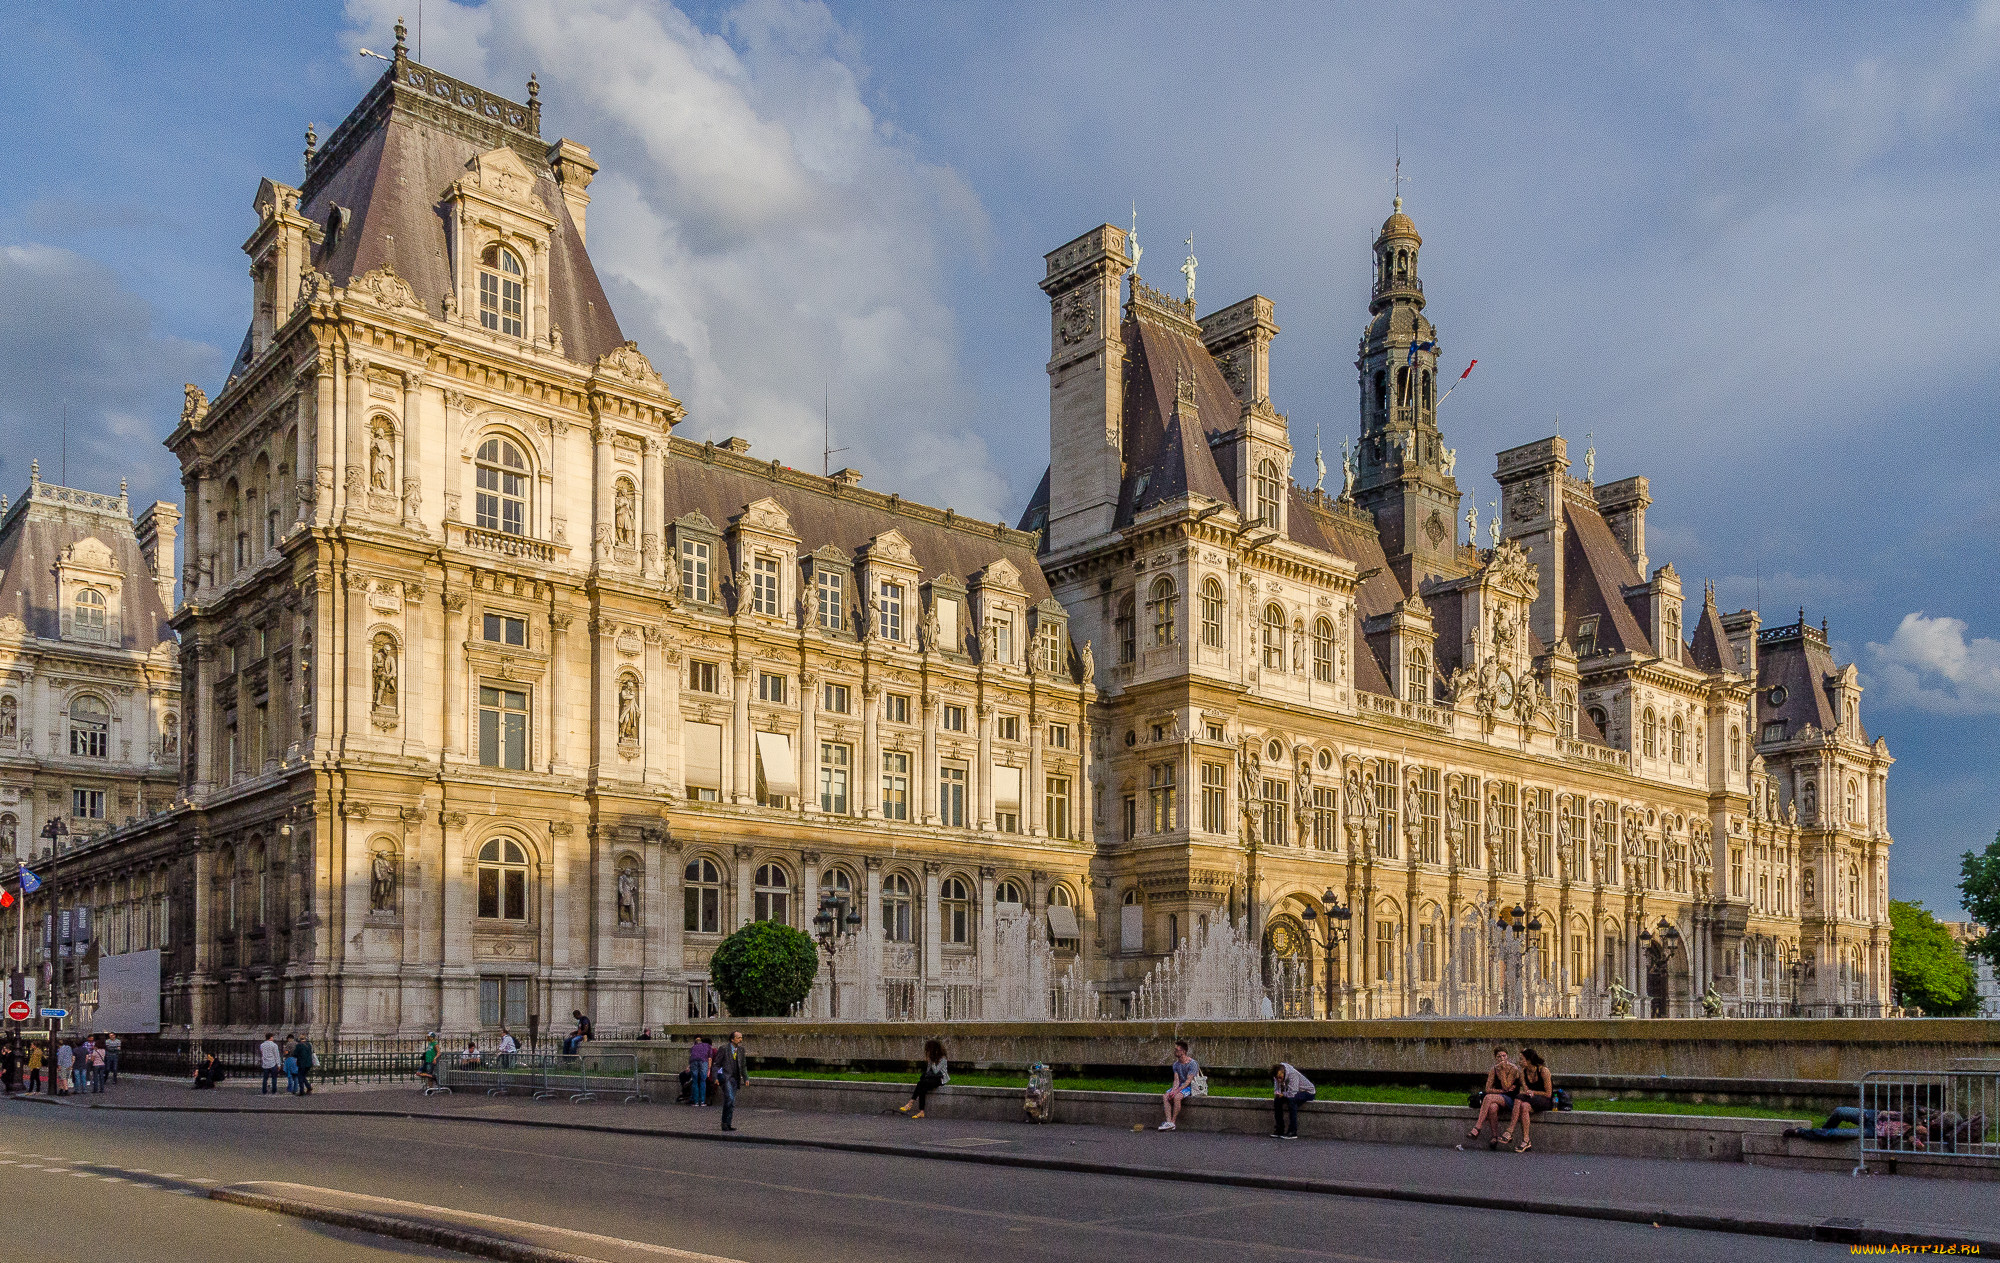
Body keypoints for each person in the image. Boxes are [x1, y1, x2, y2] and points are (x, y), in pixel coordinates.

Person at [1466, 1047, 1521, 1147]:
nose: (1501, 1058)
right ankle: (1494, 1137)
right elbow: (1488, 1089)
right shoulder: (1494, 1069)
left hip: (1511, 1099)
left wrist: (1503, 1071)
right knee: (1492, 1107)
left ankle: (1478, 1127)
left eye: (1504, 1056)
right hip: (1499, 1096)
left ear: (1508, 1056)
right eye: (1499, 1056)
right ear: (1496, 1058)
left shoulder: (1513, 1069)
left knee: (1488, 1098)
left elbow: (1506, 1086)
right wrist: (1501, 1091)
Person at [1509, 1048, 1554, 1153]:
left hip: (1545, 1100)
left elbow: (1548, 1094)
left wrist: (1534, 1092)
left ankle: (1510, 1130)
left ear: (1529, 1060)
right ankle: (1526, 1140)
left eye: (1521, 1059)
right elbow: (1525, 1090)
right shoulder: (1523, 1072)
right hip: (1531, 1100)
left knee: (1520, 1098)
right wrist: (1527, 1090)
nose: (1519, 1062)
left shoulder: (1543, 1071)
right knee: (1523, 1105)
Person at [898, 1039, 950, 1120]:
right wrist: (930, 1062)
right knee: (922, 1086)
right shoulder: (932, 1058)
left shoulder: (943, 1058)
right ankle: (921, 1111)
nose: (928, 1051)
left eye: (929, 1049)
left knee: (921, 1084)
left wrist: (932, 1062)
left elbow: (936, 1071)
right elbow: (928, 1071)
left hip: (940, 1079)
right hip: (932, 1079)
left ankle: (910, 1103)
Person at [1160, 1040, 1199, 1131]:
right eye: (1175, 1050)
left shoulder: (1192, 1064)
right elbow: (1176, 1080)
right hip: (1181, 1085)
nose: (1175, 1052)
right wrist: (1173, 1090)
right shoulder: (1176, 1065)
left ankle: (1173, 1122)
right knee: (1166, 1096)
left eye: (1177, 1050)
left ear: (1183, 1051)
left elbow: (1188, 1081)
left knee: (1177, 1097)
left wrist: (1177, 1091)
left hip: (1190, 1086)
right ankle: (1168, 1122)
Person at [1271, 1061, 1315, 1139]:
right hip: (1291, 1092)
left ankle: (1293, 1131)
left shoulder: (1292, 1074)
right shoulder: (1276, 1076)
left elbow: (1292, 1094)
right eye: (1277, 1078)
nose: (1279, 1080)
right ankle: (1279, 1129)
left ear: (1283, 1072)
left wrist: (1283, 1094)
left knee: (1292, 1101)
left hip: (1307, 1091)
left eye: (1280, 1077)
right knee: (1277, 1101)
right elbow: (1277, 1090)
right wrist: (1279, 1094)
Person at [716, 1030, 748, 1132]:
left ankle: (727, 1123)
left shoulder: (741, 1050)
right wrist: (715, 1077)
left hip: (735, 1079)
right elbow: (717, 1064)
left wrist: (746, 1078)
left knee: (731, 1102)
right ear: (732, 1039)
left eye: (741, 1037)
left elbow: (743, 1065)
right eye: (738, 1038)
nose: (740, 1040)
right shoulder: (724, 1049)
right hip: (726, 1078)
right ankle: (724, 1123)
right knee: (729, 1098)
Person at [688, 1033, 713, 1108]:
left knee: (695, 1081)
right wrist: (709, 1069)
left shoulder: (693, 1047)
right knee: (702, 1081)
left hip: (693, 1062)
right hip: (703, 1061)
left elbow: (691, 1056)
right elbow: (709, 1058)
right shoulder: (708, 1046)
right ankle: (702, 1101)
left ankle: (695, 1101)